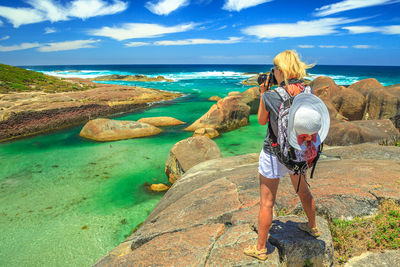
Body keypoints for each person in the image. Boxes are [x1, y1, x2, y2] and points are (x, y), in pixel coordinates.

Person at [243, 50, 330, 261]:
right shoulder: (307, 90)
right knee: (303, 191)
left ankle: (260, 248)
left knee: (267, 202)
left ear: (280, 71)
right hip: (297, 151)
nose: (272, 71)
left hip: (274, 153)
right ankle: (312, 227)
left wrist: (264, 93)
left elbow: (262, 120)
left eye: (274, 68)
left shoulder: (272, 95)